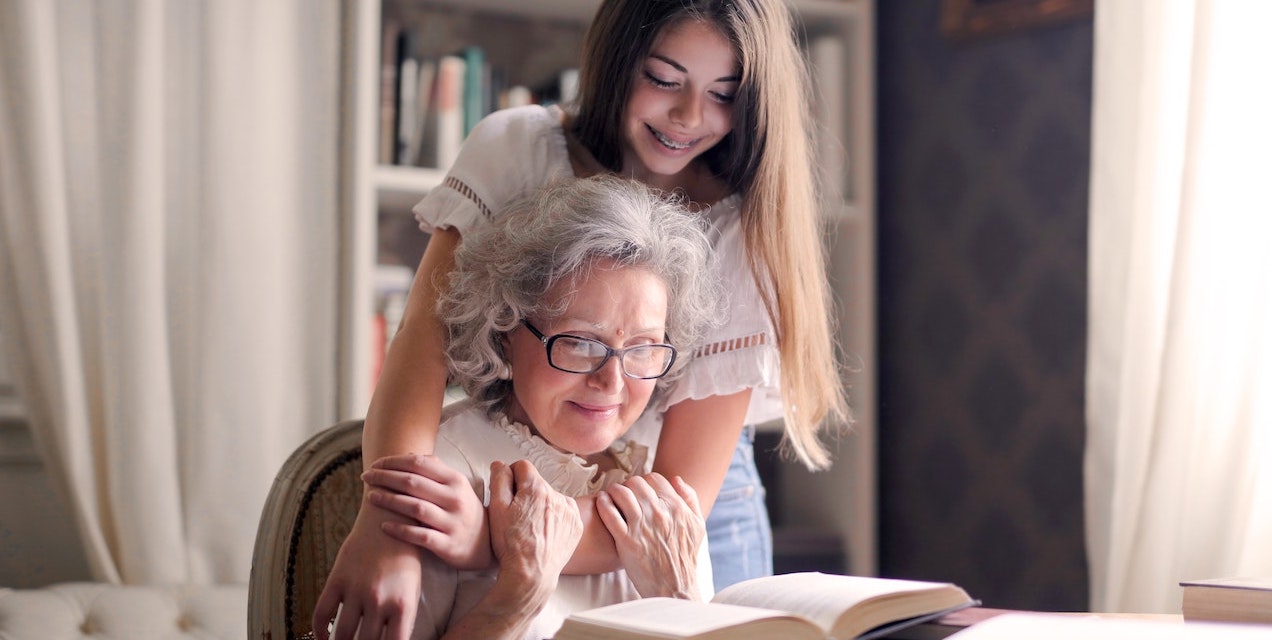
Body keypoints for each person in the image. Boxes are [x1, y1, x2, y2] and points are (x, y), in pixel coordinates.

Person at [315, 0, 849, 637]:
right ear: (617, 62)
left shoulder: (742, 227)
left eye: (723, 94)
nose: (688, 117)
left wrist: (488, 538)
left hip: (677, 503)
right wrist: (391, 524)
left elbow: (675, 498)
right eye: (664, 78)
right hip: (518, 467)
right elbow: (421, 348)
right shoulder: (519, 148)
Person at [349, 176, 716, 639]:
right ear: (504, 329)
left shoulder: (663, 503)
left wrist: (682, 600)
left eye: (643, 347)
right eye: (581, 343)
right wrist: (515, 599)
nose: (613, 380)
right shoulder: (444, 476)